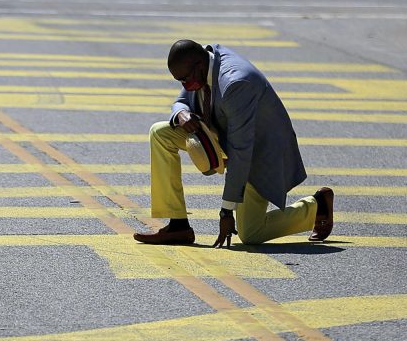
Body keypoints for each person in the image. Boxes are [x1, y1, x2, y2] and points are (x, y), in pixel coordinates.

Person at [134, 39, 334, 248]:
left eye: (185, 80)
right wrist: (181, 113)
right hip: (227, 137)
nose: (185, 85)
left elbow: (241, 151)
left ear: (199, 66)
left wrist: (226, 212)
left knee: (251, 233)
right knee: (160, 133)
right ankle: (178, 226)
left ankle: (317, 208)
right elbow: (181, 101)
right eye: (180, 81)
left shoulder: (235, 84)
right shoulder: (203, 62)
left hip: (258, 153)